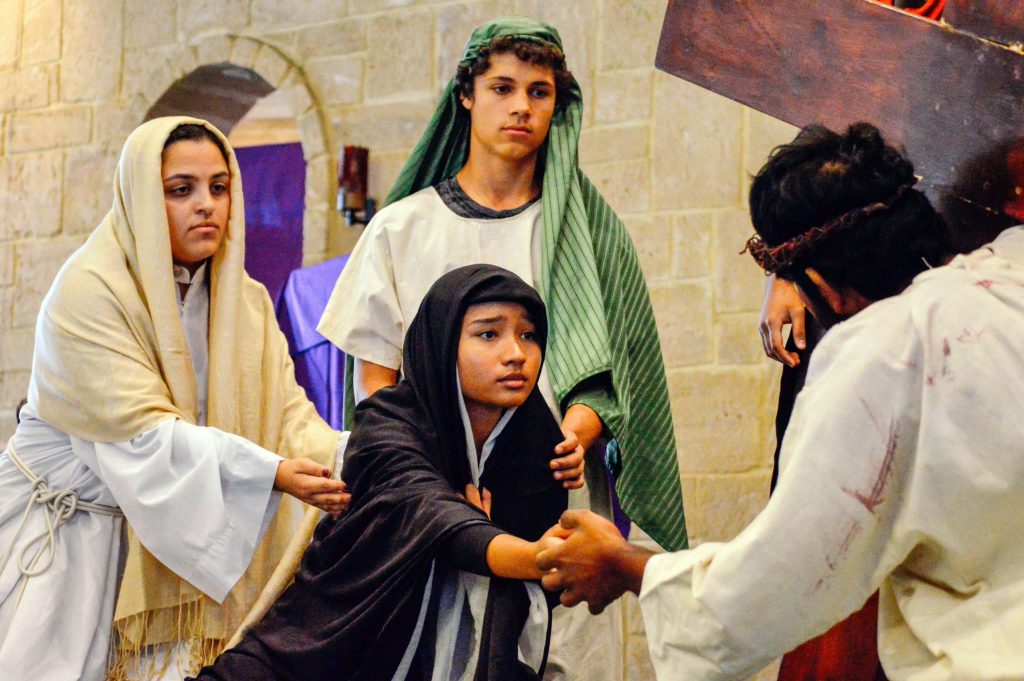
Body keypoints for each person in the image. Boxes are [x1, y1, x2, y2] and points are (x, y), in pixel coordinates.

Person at [537, 122, 1024, 680]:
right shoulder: (1013, 266)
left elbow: (766, 591)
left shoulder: (883, 352)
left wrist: (622, 563)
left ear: (821, 285)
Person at [318, 19, 685, 677]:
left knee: (569, 661)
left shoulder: (586, 234)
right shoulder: (402, 228)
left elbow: (612, 368)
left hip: (563, 498)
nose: (522, 107)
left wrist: (576, 432)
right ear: (466, 95)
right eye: (503, 87)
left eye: (540, 91)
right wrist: (430, 471)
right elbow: (375, 382)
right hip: (443, 497)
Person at [0, 117, 347, 681]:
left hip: (171, 533)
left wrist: (361, 459)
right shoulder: (90, 290)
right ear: (139, 194)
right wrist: (273, 473)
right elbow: (143, 435)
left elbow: (288, 419)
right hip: (64, 544)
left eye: (218, 187)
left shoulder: (247, 303)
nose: (206, 205)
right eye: (180, 189)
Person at [192, 264, 568, 681]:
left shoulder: (536, 445)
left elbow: (543, 590)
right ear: (442, 344)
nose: (516, 353)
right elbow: (429, 512)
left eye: (528, 335)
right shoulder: (388, 422)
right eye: (488, 334)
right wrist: (534, 556)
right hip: (327, 644)